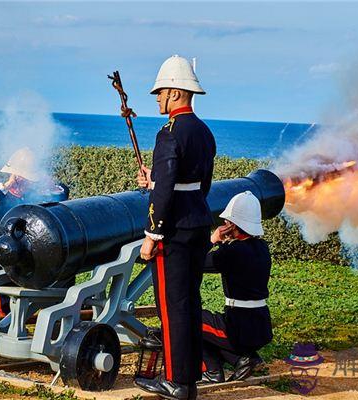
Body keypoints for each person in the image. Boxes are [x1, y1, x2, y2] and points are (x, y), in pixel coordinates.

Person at [134, 55, 216, 400]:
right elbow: (201, 183)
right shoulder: (203, 131)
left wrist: (152, 235)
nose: (156, 99)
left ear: (174, 93)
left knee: (172, 307)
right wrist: (156, 182)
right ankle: (189, 377)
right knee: (189, 302)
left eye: (159, 93)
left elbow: (166, 190)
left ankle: (177, 382)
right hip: (198, 221)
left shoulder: (169, 132)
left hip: (175, 231)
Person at [0, 146, 69, 315]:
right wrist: (8, 183)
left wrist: (49, 184)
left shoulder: (34, 196)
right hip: (1, 257)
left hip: (29, 257)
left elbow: (62, 196)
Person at [199, 191, 273, 384]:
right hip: (259, 324)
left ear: (233, 224)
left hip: (239, 327)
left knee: (187, 320)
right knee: (211, 330)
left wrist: (213, 240)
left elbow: (193, 263)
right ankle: (244, 359)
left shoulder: (231, 252)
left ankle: (211, 371)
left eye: (227, 222)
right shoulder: (262, 248)